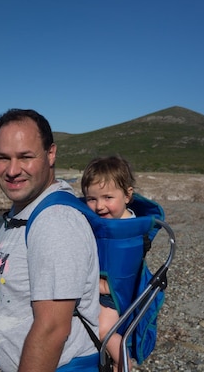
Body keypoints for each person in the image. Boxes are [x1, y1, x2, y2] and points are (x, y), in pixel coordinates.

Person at [0, 109, 100, 372]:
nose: (12, 170)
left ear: (50, 154)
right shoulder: (23, 210)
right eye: (2, 158)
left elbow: (52, 329)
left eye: (25, 157)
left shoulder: (55, 222)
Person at [80, 156, 136, 372]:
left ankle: (122, 363)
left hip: (111, 294)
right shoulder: (115, 220)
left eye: (108, 197)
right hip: (106, 287)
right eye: (91, 199)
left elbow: (121, 276)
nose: (99, 206)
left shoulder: (126, 231)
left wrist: (96, 284)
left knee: (104, 330)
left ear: (128, 195)